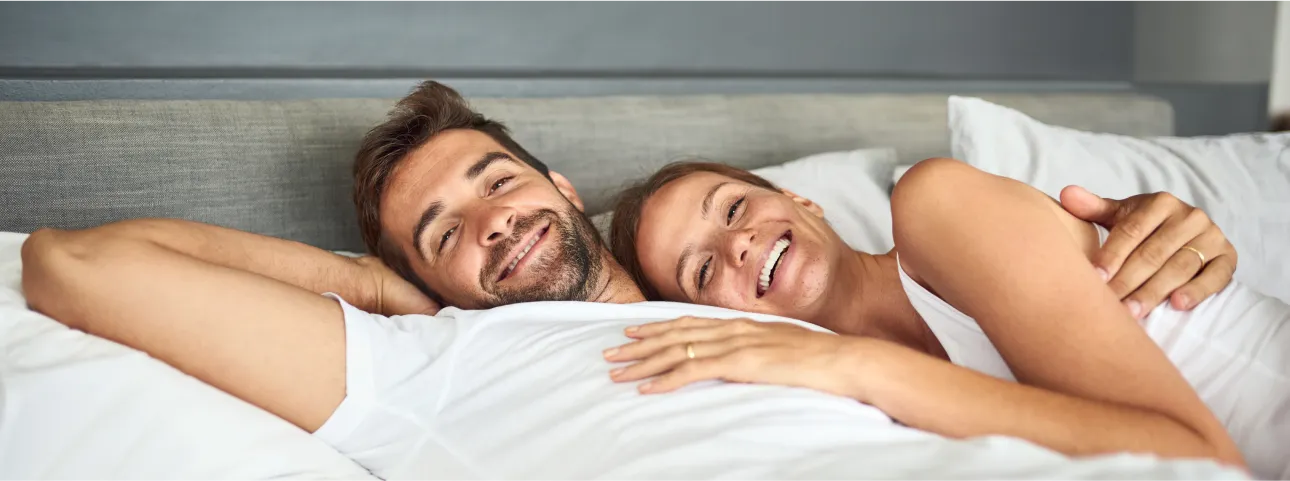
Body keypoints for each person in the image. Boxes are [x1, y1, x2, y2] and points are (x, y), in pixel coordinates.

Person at [18, 81, 1247, 480]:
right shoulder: (431, 358)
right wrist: (384, 292)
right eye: (437, 233)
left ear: (558, 184)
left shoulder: (770, 303)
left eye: (492, 182)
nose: (486, 225)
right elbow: (72, 264)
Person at [606, 160, 1289, 479]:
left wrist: (859, 364)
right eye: (702, 271)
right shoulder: (855, 417)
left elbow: (1203, 464)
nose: (738, 244)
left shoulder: (936, 204)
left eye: (732, 209)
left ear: (802, 200)